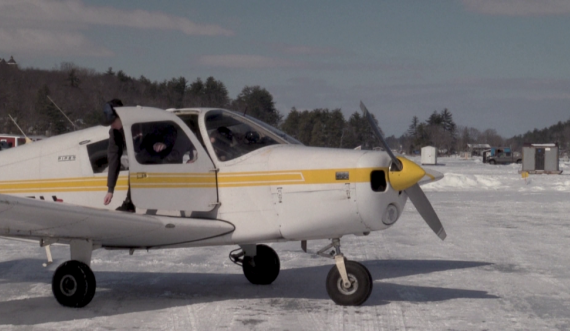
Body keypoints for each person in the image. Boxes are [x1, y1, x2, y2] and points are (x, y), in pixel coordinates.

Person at [101, 99, 135, 212]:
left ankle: (131, 201)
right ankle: (130, 203)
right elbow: (114, 158)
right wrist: (110, 190)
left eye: (113, 121)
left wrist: (163, 143)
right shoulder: (115, 132)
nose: (112, 125)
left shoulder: (139, 123)